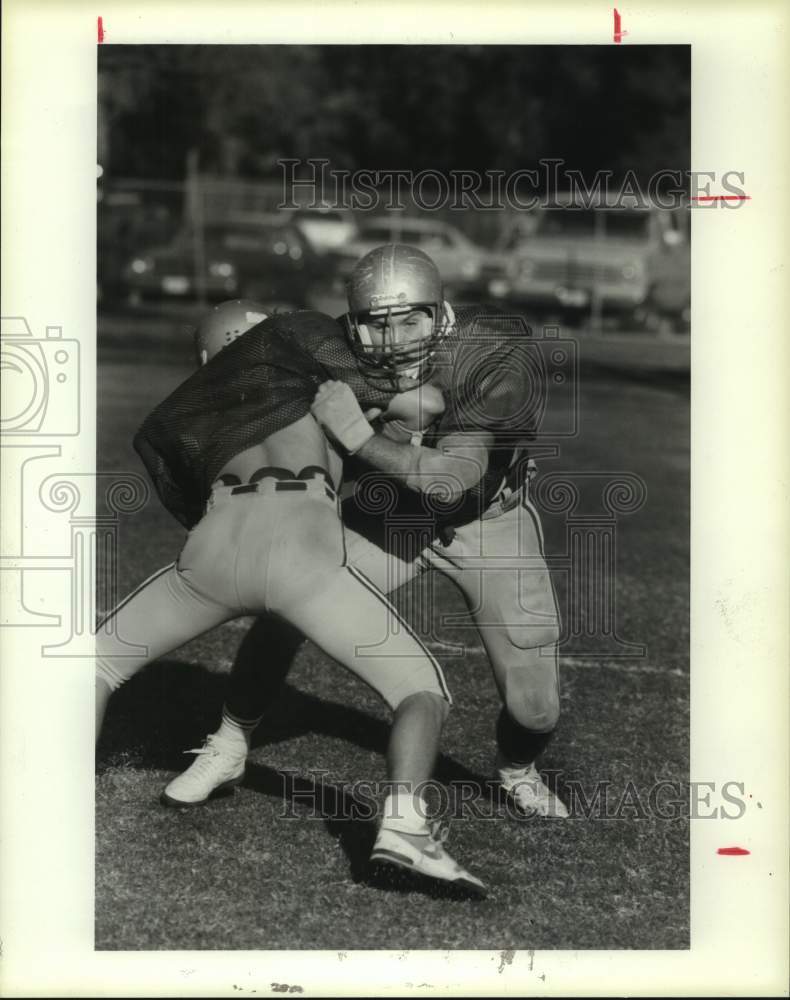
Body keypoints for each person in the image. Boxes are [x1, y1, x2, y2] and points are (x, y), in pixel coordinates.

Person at [95, 297, 485, 895]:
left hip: (216, 545)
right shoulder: (316, 377)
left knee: (90, 666)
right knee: (420, 692)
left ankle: (50, 804)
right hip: (304, 540)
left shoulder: (197, 407)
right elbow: (429, 403)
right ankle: (404, 832)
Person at [166, 245, 568, 820]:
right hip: (394, 513)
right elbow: (260, 365)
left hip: (487, 519)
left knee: (535, 711)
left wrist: (357, 436)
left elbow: (453, 481)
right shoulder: (336, 349)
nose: (396, 339)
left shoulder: (491, 351)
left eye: (411, 320)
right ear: (352, 325)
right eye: (376, 326)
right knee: (286, 603)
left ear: (440, 310)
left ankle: (516, 768)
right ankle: (229, 745)